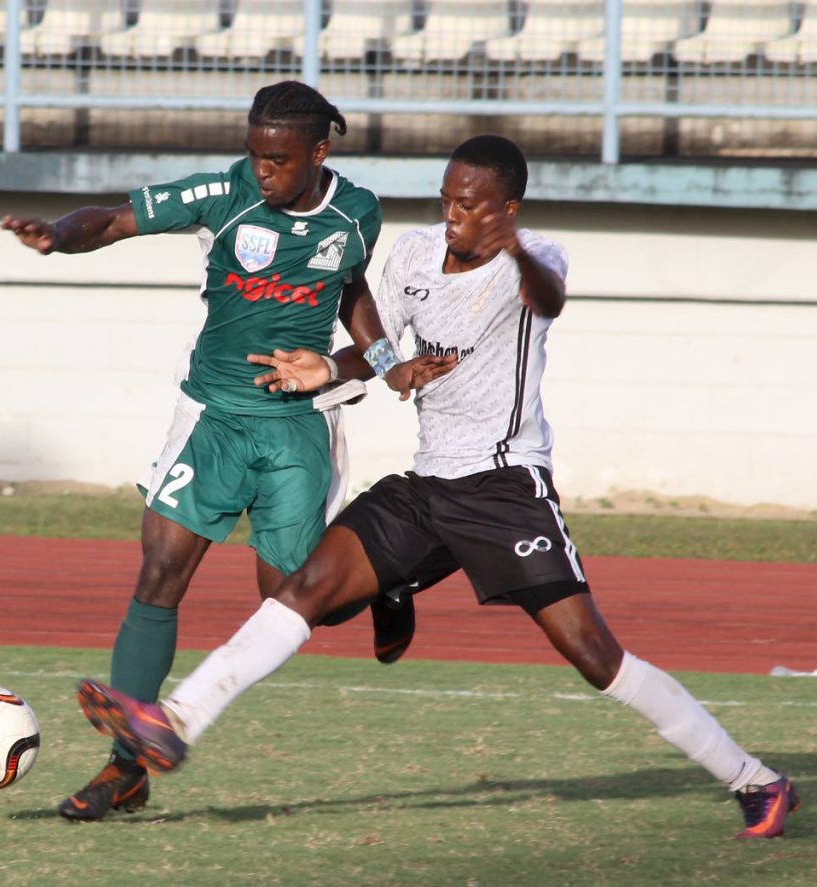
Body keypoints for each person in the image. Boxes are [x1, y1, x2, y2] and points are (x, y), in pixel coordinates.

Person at [73, 134, 800, 840]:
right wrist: (331, 369)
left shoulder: (536, 260)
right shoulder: (417, 254)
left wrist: (512, 249)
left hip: (503, 487)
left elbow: (548, 302)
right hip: (425, 487)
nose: (454, 214)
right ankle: (176, 720)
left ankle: (755, 779)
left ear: (506, 209)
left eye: (472, 204)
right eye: (448, 199)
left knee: (592, 653)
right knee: (300, 591)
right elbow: (379, 345)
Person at [2, 81, 452, 822]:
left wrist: (378, 359)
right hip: (212, 416)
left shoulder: (356, 212)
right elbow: (114, 220)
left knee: (292, 595)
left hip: (298, 425)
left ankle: (386, 582)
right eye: (255, 154)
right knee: (159, 569)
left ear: (318, 152)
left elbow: (350, 289)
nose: (263, 171)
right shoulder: (224, 193)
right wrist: (59, 233)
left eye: (278, 159)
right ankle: (126, 768)